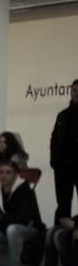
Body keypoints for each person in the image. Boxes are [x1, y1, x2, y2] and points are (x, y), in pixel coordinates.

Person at [50, 79, 78, 222]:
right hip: (62, 167)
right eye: (73, 89)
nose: (76, 92)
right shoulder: (62, 115)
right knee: (63, 204)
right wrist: (54, 161)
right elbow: (54, 139)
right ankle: (58, 236)